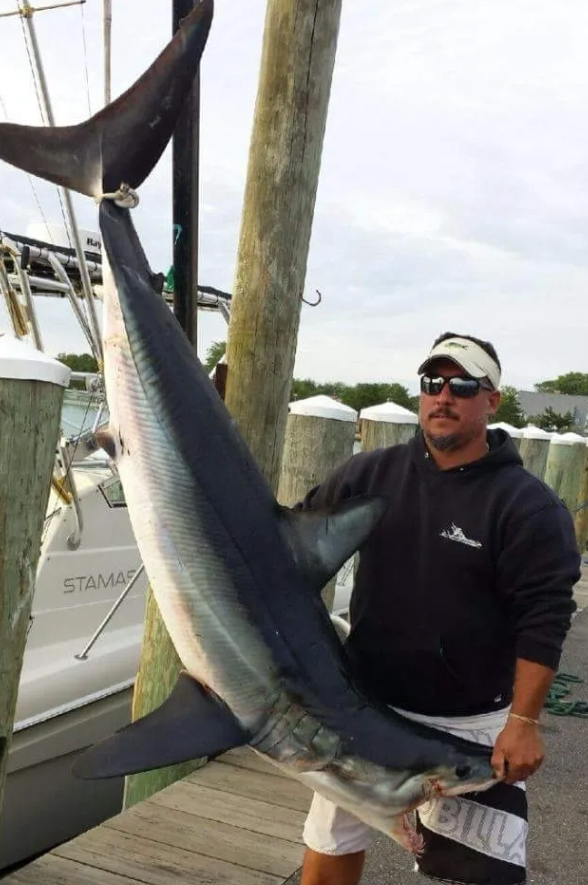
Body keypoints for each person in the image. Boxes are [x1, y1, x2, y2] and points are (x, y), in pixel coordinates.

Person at [298, 332, 580, 885]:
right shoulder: (368, 475)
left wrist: (523, 723)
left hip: (467, 726)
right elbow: (294, 551)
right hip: (364, 710)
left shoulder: (527, 505)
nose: (443, 396)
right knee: (330, 850)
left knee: (474, 876)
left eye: (463, 385)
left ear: (492, 399)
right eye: (432, 383)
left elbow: (544, 618)